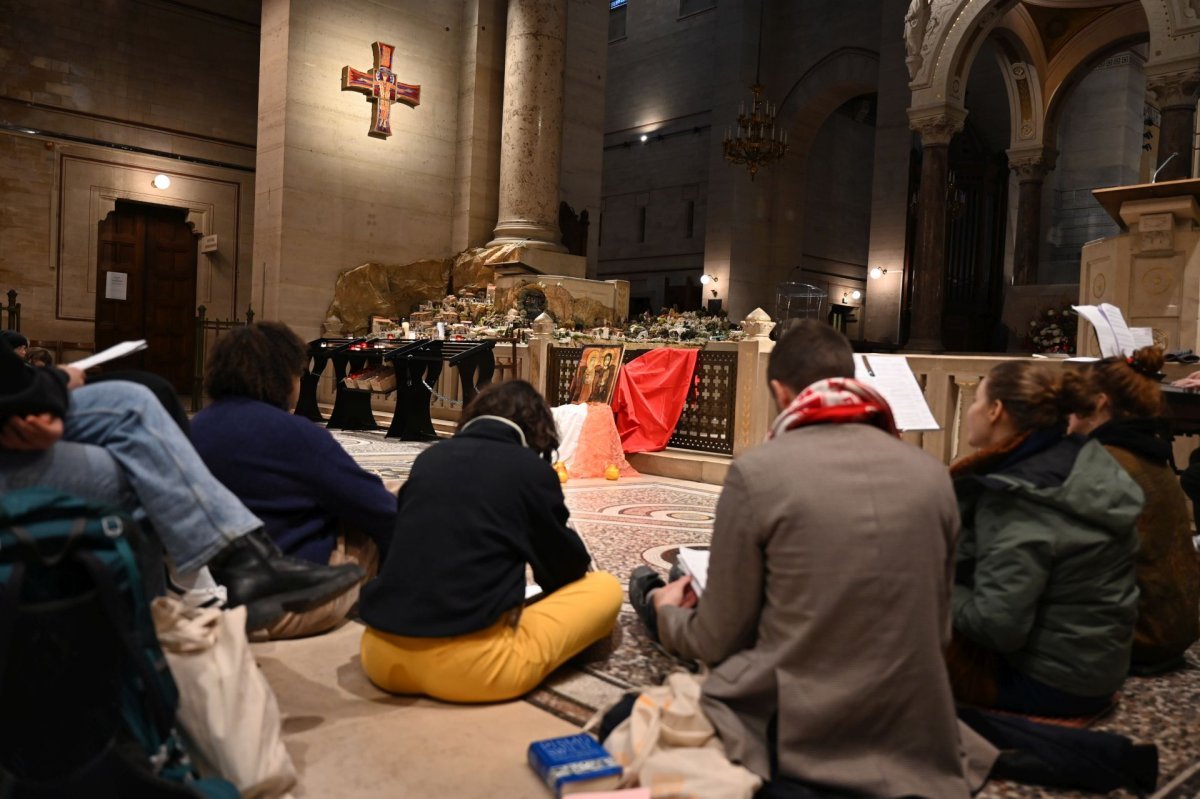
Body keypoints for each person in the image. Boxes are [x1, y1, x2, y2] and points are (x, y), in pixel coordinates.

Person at [629, 320, 992, 798]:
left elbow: (718, 639)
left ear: (782, 393)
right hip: (914, 715)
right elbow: (938, 624)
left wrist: (665, 613)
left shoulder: (759, 472)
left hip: (807, 721)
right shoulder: (934, 475)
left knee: (653, 592)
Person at [0, 334, 363, 630]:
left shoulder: (204, 421)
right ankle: (202, 588)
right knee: (139, 467)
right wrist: (47, 386)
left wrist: (40, 388)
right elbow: (372, 506)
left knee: (144, 394)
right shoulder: (301, 435)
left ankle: (235, 563)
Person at [358, 380, 622, 703]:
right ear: (537, 430)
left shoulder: (431, 458)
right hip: (474, 669)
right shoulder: (528, 468)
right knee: (605, 588)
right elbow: (565, 571)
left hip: (381, 656)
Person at [948, 360, 1142, 716]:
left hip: (1049, 681)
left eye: (976, 401)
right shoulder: (1078, 458)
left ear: (995, 411)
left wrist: (934, 587)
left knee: (889, 644)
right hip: (1099, 666)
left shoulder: (1021, 493)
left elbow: (997, 626)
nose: (972, 410)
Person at [191, 322, 398, 638]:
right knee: (394, 497)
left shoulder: (193, 427)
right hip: (288, 605)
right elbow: (381, 511)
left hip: (208, 598)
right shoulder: (295, 434)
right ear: (284, 375)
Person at [1066, 347, 1200, 673]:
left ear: (1100, 403)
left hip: (1142, 636)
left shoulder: (1105, 463)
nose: (1064, 413)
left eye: (1071, 403)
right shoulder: (1147, 453)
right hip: (1176, 627)